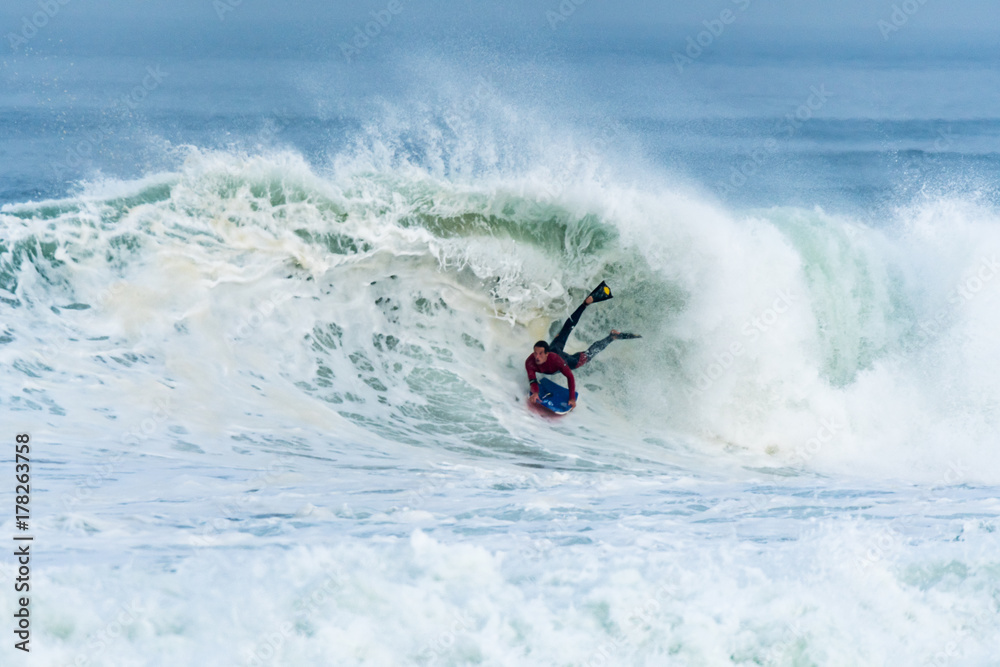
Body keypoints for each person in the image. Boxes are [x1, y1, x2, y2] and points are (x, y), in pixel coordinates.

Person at [526, 281, 639, 408]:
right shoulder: (530, 362)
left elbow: (570, 377)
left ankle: (611, 337)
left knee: (588, 354)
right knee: (566, 328)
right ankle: (585, 304)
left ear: (546, 354)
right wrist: (535, 392)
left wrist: (572, 399)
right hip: (555, 348)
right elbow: (532, 379)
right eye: (535, 353)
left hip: (568, 360)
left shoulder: (556, 361)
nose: (537, 357)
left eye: (540, 354)